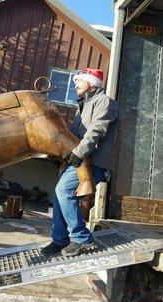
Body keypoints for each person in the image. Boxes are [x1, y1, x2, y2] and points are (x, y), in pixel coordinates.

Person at [42, 68, 119, 257]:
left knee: (63, 191)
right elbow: (73, 136)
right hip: (80, 160)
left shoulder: (105, 102)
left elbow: (96, 131)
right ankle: (60, 239)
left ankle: (82, 239)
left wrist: (77, 153)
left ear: (91, 83)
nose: (75, 84)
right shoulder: (82, 105)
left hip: (95, 162)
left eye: (79, 80)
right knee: (60, 195)